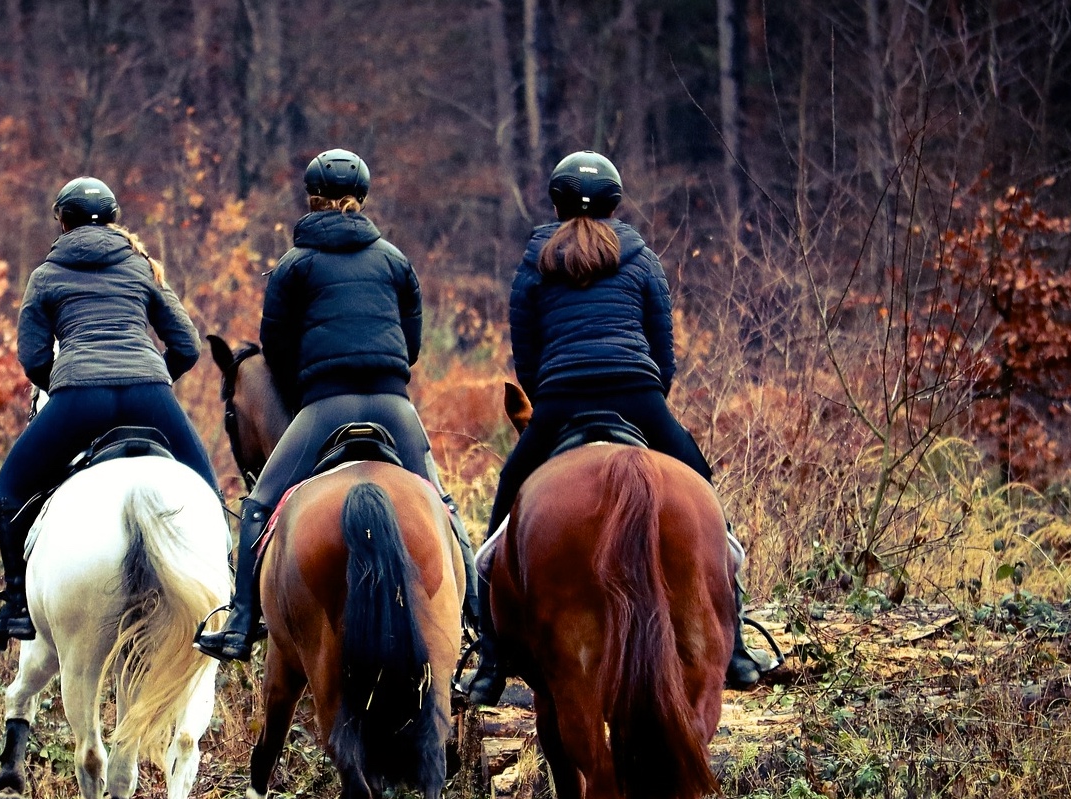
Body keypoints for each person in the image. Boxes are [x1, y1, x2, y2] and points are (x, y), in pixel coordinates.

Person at [461, 151, 762, 704]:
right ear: (615, 201)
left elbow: (525, 355)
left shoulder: (533, 264)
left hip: (558, 401)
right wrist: (648, 401)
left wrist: (551, 392)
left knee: (501, 516)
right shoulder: (642, 260)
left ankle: (491, 658)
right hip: (638, 396)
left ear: (554, 203)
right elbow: (663, 350)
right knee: (705, 498)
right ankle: (736, 644)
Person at [194, 149, 481, 663]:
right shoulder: (395, 260)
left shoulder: (293, 265)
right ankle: (480, 632)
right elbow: (410, 345)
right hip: (395, 408)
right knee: (443, 505)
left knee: (259, 505)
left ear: (311, 198)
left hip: (325, 405)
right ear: (364, 197)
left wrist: (312, 374)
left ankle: (240, 622)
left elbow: (276, 353)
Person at [0, 177, 219, 651]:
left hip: (79, 396)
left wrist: (63, 389)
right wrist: (154, 379)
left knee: (11, 486)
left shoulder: (45, 274)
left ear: (61, 221)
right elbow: (186, 344)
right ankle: (225, 600)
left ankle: (17, 606)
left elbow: (33, 357)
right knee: (207, 490)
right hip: (149, 394)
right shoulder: (141, 266)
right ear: (115, 219)